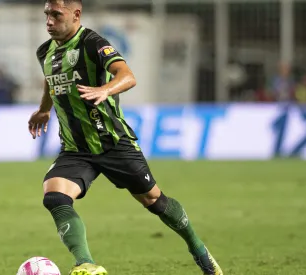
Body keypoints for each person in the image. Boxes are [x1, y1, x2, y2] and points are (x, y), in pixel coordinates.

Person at [28, 1, 223, 274]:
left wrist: (106, 90)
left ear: (76, 14)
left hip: (113, 142)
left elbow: (127, 75)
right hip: (75, 148)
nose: (49, 21)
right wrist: (44, 110)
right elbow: (52, 80)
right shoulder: (44, 52)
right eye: (47, 14)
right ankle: (85, 265)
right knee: (55, 196)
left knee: (154, 201)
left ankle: (198, 248)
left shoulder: (93, 43)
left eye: (56, 14)